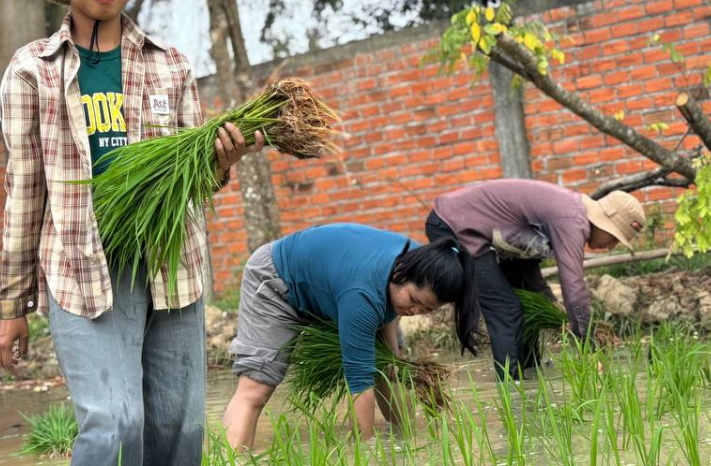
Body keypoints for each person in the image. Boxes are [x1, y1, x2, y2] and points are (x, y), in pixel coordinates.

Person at [0, 0, 264, 466]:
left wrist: (220, 162)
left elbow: (195, 182)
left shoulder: (170, 65)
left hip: (169, 266)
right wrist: (11, 306)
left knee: (179, 429)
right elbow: (24, 189)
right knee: (115, 424)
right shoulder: (33, 71)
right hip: (80, 269)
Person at [221, 223, 479, 449]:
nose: (414, 312)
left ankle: (407, 436)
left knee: (388, 367)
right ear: (400, 273)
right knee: (256, 389)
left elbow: (390, 320)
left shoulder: (425, 262)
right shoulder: (363, 296)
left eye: (426, 309)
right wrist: (367, 452)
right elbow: (359, 385)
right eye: (414, 301)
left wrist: (393, 359)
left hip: (338, 282)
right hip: (277, 279)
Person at [426, 179, 646, 380]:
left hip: (476, 234)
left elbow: (530, 275)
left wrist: (552, 307)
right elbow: (573, 284)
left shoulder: (565, 212)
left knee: (528, 307)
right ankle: (512, 390)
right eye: (615, 237)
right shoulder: (572, 219)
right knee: (506, 309)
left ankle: (531, 378)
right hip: (453, 225)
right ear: (604, 223)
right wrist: (588, 345)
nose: (612, 246)